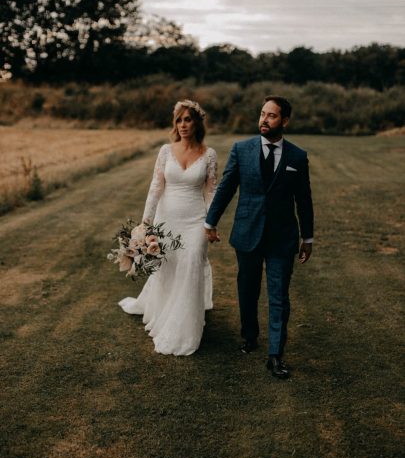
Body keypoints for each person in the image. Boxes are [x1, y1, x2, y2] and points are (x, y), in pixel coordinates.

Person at [205, 95, 314, 379]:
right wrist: (211, 221)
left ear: (285, 121)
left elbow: (304, 200)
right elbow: (227, 188)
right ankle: (249, 335)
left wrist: (308, 238)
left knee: (279, 297)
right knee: (248, 289)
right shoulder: (242, 149)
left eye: (272, 116)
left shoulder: (297, 157)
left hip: (282, 237)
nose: (264, 120)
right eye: (263, 114)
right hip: (247, 232)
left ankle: (276, 355)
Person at [119, 100, 218, 356]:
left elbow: (211, 192)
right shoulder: (165, 151)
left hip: (196, 220)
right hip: (167, 220)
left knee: (193, 262)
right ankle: (165, 311)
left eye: (187, 119)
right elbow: (155, 188)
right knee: (169, 267)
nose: (183, 125)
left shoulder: (209, 154)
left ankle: (187, 327)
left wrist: (211, 223)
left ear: (197, 122)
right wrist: (145, 224)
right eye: (178, 120)